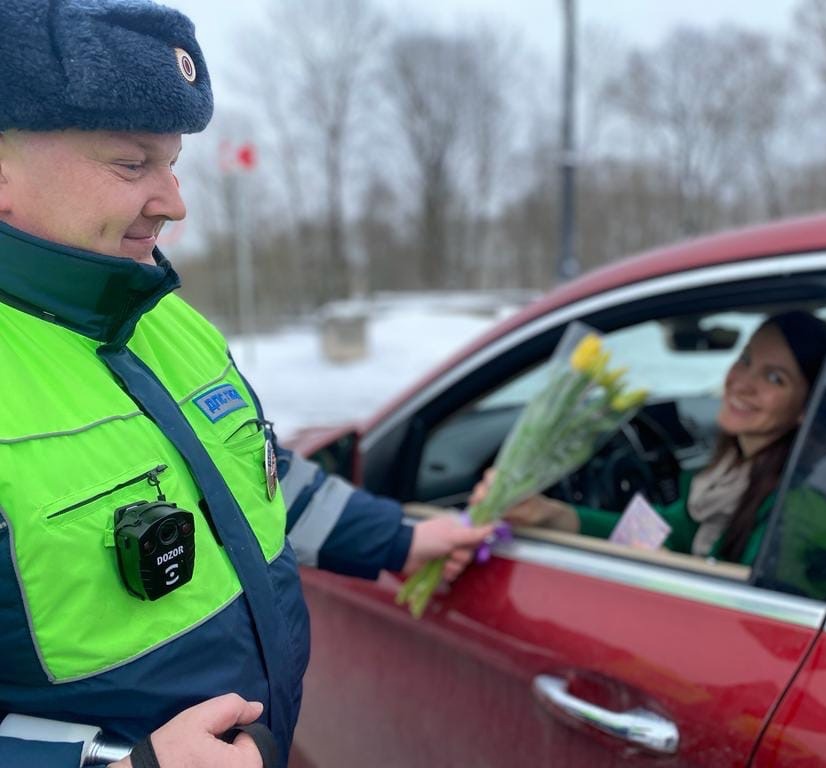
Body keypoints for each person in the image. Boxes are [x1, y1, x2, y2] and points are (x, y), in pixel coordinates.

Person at [0, 1, 493, 766]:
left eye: (172, 164)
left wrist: (399, 539)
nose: (174, 202)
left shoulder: (165, 318)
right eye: (132, 165)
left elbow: (249, 476)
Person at [473, 311, 826, 566]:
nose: (742, 382)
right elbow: (666, 529)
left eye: (774, 378)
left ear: (808, 406)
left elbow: (754, 611)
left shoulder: (797, 507)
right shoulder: (729, 474)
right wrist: (550, 514)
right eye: (745, 360)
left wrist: (665, 569)